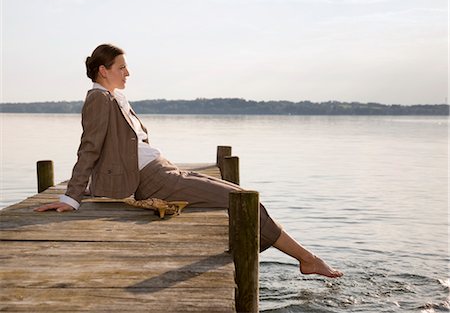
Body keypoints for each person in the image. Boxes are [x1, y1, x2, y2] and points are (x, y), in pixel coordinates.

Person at [35, 44, 343, 278]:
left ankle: (303, 258)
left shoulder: (115, 98)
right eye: (122, 67)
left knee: (246, 198)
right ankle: (307, 259)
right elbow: (89, 148)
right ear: (104, 70)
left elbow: (122, 147)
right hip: (153, 179)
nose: (127, 73)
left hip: (163, 170)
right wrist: (71, 197)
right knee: (243, 201)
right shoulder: (99, 100)